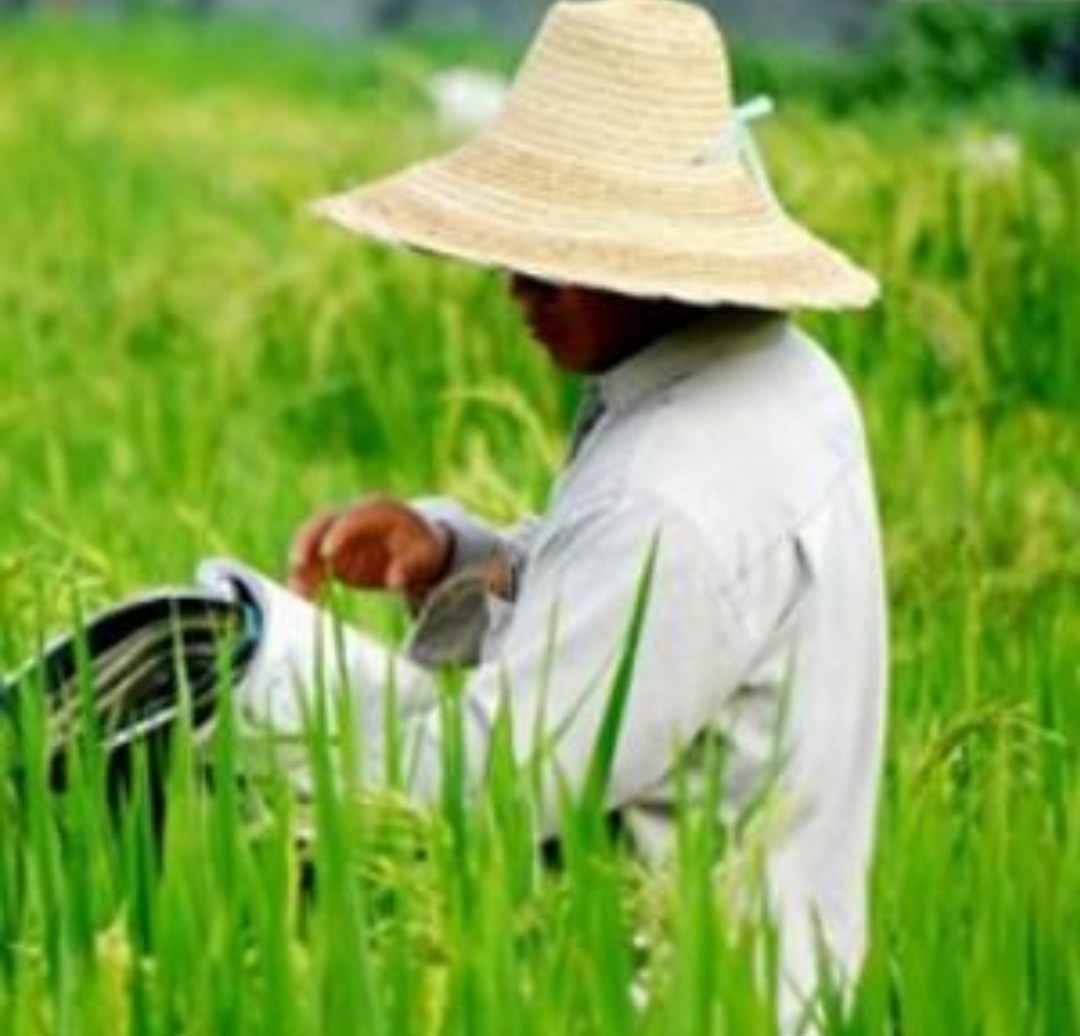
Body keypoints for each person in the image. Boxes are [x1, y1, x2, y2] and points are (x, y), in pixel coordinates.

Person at [275, 0, 887, 1026]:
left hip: (663, 999)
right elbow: (642, 619)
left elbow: (481, 780)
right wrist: (452, 556)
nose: (516, 286)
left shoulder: (673, 497)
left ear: (651, 253)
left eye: (556, 254)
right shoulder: (779, 381)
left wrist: (260, 693)